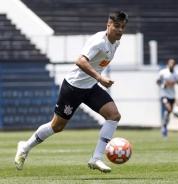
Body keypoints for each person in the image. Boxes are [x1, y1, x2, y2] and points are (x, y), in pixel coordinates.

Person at [14, 11, 129, 173]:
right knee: (57, 126)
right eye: (117, 26)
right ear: (108, 25)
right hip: (74, 87)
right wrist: (100, 78)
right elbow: (80, 61)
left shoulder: (115, 42)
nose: (120, 30)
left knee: (114, 116)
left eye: (123, 27)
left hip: (90, 86)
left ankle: (96, 158)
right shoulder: (99, 41)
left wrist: (97, 79)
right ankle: (25, 146)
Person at [157, 59, 178, 138]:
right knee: (169, 109)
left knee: (169, 112)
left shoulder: (177, 73)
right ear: (168, 64)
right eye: (170, 63)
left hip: (172, 95)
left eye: (173, 64)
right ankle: (165, 125)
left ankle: (164, 126)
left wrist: (177, 81)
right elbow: (157, 81)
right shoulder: (163, 72)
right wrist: (162, 85)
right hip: (164, 95)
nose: (171, 65)